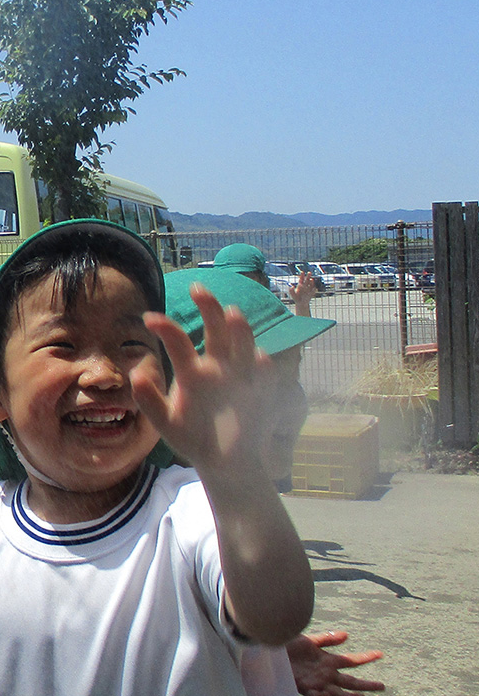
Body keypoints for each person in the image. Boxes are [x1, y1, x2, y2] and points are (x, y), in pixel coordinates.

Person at [0, 218, 314, 696]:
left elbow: (276, 614)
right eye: (64, 344)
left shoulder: (188, 512)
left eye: (133, 343)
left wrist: (236, 476)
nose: (105, 374)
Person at [164, 267, 385, 696]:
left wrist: (265, 654)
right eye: (260, 384)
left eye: (294, 372)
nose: (294, 401)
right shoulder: (196, 513)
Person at [215, 243, 317, 318]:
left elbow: (294, 341)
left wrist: (302, 306)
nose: (239, 284)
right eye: (229, 278)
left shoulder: (269, 315)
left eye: (246, 277)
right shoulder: (206, 315)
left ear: (262, 280)